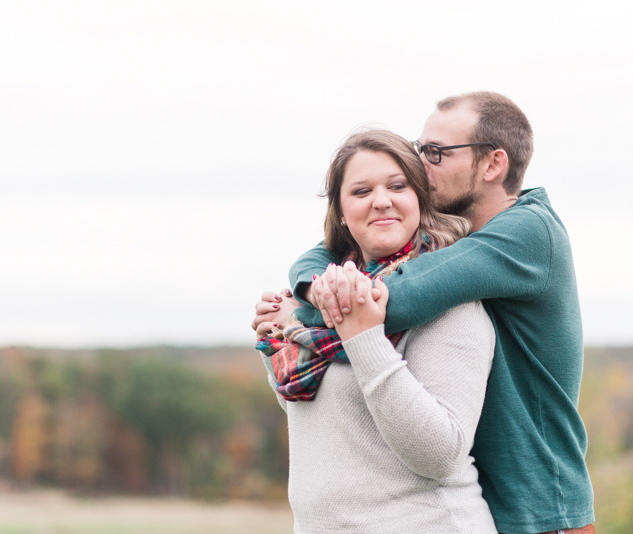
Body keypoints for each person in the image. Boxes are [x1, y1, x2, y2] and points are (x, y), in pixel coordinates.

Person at [253, 92, 595, 534]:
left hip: (541, 508)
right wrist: (308, 291)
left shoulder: (526, 234)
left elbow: (398, 297)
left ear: (492, 165)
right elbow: (319, 254)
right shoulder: (460, 240)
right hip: (490, 494)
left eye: (435, 153)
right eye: (420, 149)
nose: (421, 164)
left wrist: (306, 313)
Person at [256, 129, 499, 533]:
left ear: (420, 198)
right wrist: (280, 338)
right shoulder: (322, 299)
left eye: (398, 186)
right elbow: (329, 421)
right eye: (361, 190)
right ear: (339, 212)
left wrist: (364, 337)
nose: (381, 200)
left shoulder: (449, 305)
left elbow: (440, 454)